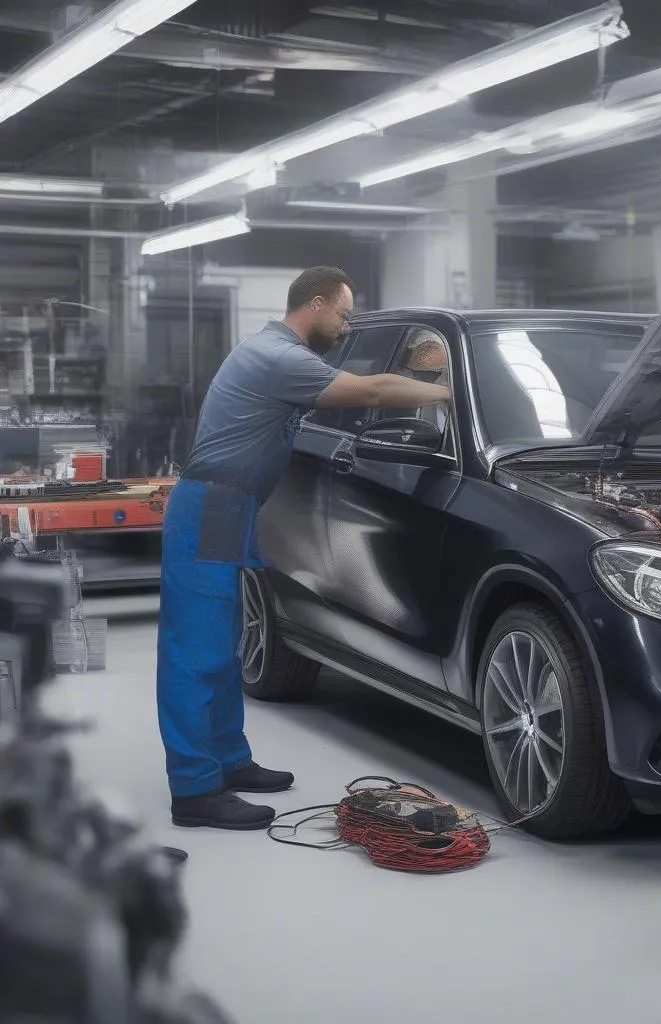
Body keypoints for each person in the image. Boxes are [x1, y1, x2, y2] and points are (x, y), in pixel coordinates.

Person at [157, 266, 449, 831]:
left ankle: (228, 760)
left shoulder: (284, 353)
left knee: (222, 644)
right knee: (195, 650)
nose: (344, 327)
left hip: (230, 507)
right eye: (342, 314)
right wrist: (448, 389)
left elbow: (360, 381)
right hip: (210, 508)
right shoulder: (278, 356)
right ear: (314, 304)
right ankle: (193, 789)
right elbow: (368, 391)